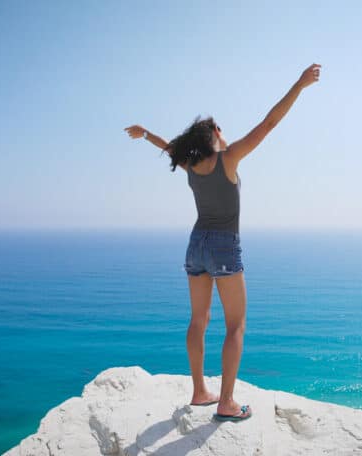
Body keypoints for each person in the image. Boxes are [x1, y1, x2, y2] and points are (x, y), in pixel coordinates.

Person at [124, 63, 321, 422]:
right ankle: (226, 403)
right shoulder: (227, 160)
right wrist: (299, 85)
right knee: (236, 325)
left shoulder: (191, 164)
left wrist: (146, 133)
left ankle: (200, 391)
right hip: (223, 246)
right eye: (222, 129)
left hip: (195, 243)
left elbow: (170, 148)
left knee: (198, 319)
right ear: (215, 133)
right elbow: (269, 123)